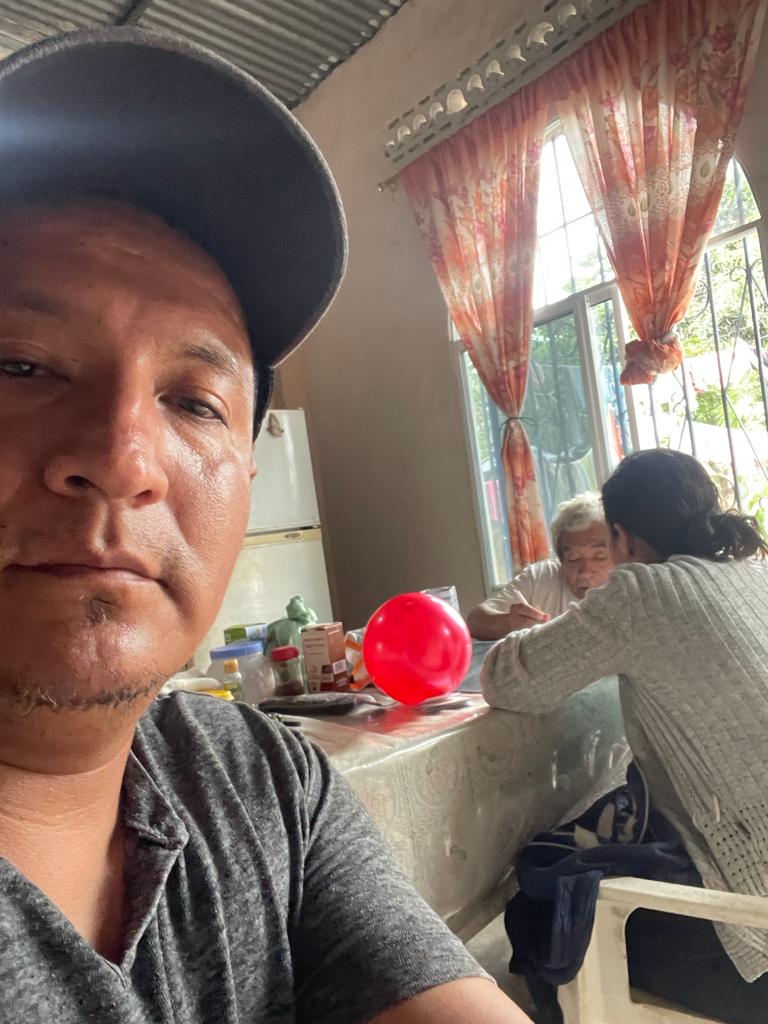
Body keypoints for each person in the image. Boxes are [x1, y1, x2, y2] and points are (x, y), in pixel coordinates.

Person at [0, 29, 531, 1024]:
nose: (123, 457)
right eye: (20, 364)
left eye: (194, 402)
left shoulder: (259, 780)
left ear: (248, 475)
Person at [482, 449, 768, 1024]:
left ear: (623, 537)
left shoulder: (641, 592)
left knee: (541, 916)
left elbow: (506, 680)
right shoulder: (753, 577)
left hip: (754, 945)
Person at [467, 493, 613, 640]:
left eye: (599, 557)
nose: (586, 571)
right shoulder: (540, 577)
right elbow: (475, 621)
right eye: (574, 559)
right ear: (561, 561)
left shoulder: (625, 587)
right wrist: (510, 624)